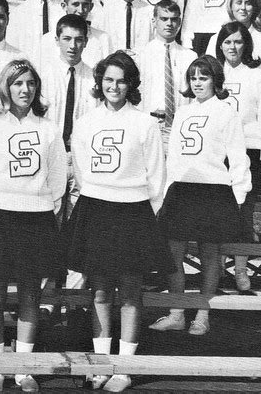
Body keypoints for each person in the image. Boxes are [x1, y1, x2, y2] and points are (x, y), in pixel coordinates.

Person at [68, 51, 173, 392]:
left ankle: (123, 369)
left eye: (121, 80)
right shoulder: (84, 123)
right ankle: (100, 365)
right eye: (108, 79)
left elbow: (157, 177)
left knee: (130, 292)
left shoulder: (145, 124)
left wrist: (144, 215)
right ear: (99, 83)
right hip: (96, 210)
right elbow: (83, 173)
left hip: (133, 213)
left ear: (131, 84)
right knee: (99, 291)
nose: (114, 86)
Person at [0, 60, 66, 393]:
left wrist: (38, 206)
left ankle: (23, 368)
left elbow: (57, 179)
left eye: (31, 84)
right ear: (6, 88)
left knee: (30, 294)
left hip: (36, 218)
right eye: (18, 83)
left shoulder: (48, 129)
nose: (25, 90)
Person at [149, 55, 251, 336]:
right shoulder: (182, 111)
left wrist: (239, 194)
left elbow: (238, 157)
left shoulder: (226, 111)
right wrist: (164, 192)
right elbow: (174, 159)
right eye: (193, 78)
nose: (197, 83)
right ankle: (177, 312)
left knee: (209, 257)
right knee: (173, 255)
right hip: (181, 190)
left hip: (213, 192)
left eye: (203, 77)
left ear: (215, 80)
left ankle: (202, 315)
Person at [41, 14, 96, 295]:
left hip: (82, 160)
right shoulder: (44, 75)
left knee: (78, 230)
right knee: (48, 227)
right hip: (51, 159)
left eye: (78, 39)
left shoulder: (94, 78)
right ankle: (47, 298)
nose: (73, 45)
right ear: (57, 40)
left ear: (86, 41)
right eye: (67, 39)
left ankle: (74, 298)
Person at [215, 22, 261, 291]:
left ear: (246, 44)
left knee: (243, 213)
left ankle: (241, 270)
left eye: (237, 41)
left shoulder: (257, 77)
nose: (232, 47)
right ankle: (216, 269)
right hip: (216, 153)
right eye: (227, 42)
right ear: (220, 45)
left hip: (247, 152)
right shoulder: (212, 73)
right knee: (217, 214)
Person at [139, 0, 197, 152]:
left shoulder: (190, 56)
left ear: (179, 22)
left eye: (174, 19)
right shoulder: (141, 55)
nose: (169, 24)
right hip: (149, 126)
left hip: (180, 127)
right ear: (154, 21)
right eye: (164, 19)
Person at [40, 0, 111, 69]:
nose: (80, 10)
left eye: (85, 5)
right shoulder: (47, 40)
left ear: (91, 7)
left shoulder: (102, 38)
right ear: (64, 6)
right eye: (75, 4)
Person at [206, 0, 261, 71]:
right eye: (239, 2)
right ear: (231, 5)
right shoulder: (216, 39)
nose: (243, 8)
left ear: (255, 7)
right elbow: (209, 73)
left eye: (248, 3)